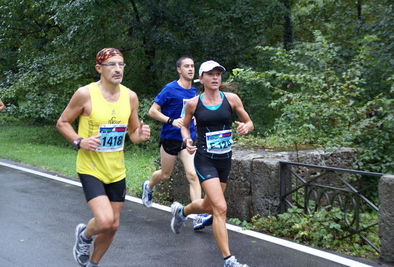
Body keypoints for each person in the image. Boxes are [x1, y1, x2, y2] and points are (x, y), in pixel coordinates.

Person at [56, 48, 151, 267]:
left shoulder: (130, 97)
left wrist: (141, 135)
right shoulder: (85, 94)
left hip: (116, 170)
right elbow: (62, 123)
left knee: (113, 225)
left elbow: (134, 135)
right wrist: (79, 141)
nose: (118, 69)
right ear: (99, 68)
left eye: (121, 64)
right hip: (90, 167)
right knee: (106, 220)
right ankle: (85, 235)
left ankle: (93, 263)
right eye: (112, 65)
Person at [170, 60, 254, 267]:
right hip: (204, 159)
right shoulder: (194, 103)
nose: (215, 77)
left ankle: (182, 212)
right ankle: (229, 260)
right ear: (202, 79)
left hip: (224, 159)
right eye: (210, 74)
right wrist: (186, 140)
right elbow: (184, 126)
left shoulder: (232, 99)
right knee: (220, 207)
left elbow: (249, 122)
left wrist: (246, 128)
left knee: (209, 205)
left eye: (218, 74)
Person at [142, 56, 212, 230]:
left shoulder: (195, 91)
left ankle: (197, 216)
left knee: (193, 175)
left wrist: (195, 119)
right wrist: (171, 121)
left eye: (192, 66)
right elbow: (152, 111)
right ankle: (148, 186)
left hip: (188, 138)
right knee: (165, 174)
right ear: (179, 70)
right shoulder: (170, 89)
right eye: (186, 66)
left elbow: (193, 112)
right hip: (170, 137)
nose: (190, 69)